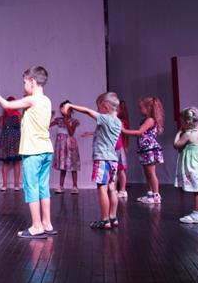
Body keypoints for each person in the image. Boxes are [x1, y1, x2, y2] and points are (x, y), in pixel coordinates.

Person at [0, 66, 55, 239]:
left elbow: (7, 105)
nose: (23, 86)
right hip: (46, 149)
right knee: (43, 187)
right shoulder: (46, 100)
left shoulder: (32, 99)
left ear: (32, 81)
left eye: (24, 82)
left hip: (33, 150)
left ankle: (37, 226)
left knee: (31, 187)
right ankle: (47, 223)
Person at [63, 93, 123, 229]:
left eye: (99, 108)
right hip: (113, 159)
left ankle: (105, 220)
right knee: (112, 189)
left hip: (102, 159)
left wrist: (71, 105)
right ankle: (113, 217)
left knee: (102, 189)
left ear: (106, 107)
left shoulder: (105, 118)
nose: (97, 110)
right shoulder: (118, 122)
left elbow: (87, 111)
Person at [122, 97, 165, 204]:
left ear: (148, 108)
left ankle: (156, 195)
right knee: (147, 173)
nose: (140, 110)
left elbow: (139, 132)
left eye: (141, 108)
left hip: (149, 149)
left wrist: (124, 130)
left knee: (151, 173)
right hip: (145, 150)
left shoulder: (150, 120)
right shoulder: (146, 120)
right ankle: (150, 193)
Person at [174, 107, 198, 224]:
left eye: (182, 122)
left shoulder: (188, 135)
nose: (181, 124)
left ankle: (196, 214)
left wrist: (179, 133)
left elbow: (176, 145)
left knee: (197, 192)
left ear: (188, 122)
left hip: (193, 166)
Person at [51, 100, 80, 194]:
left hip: (70, 145)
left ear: (70, 110)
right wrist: (51, 116)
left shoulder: (74, 121)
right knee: (62, 165)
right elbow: (47, 126)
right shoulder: (58, 120)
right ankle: (61, 186)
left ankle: (75, 186)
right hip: (61, 145)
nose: (62, 110)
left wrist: (66, 120)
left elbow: (71, 133)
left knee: (73, 165)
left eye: (65, 108)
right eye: (62, 108)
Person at [0, 97, 22, 192]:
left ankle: (16, 184)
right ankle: (4, 184)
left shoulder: (18, 115)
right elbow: (0, 127)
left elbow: (22, 126)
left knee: (16, 161)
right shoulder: (4, 115)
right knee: (5, 162)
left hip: (15, 138)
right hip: (6, 138)